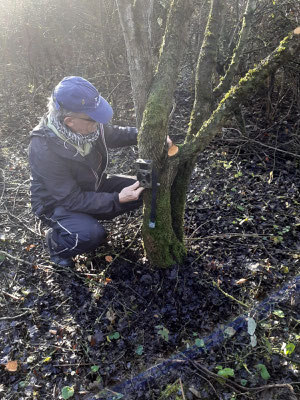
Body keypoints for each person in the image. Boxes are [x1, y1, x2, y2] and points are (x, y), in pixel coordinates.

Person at [29, 76, 145, 267]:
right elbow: (70, 199)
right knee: (91, 235)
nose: (98, 124)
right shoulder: (44, 148)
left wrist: (144, 135)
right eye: (93, 119)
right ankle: (57, 243)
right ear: (69, 121)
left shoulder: (89, 128)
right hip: (54, 202)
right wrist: (116, 199)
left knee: (144, 188)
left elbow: (114, 133)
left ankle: (83, 220)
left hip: (92, 185)